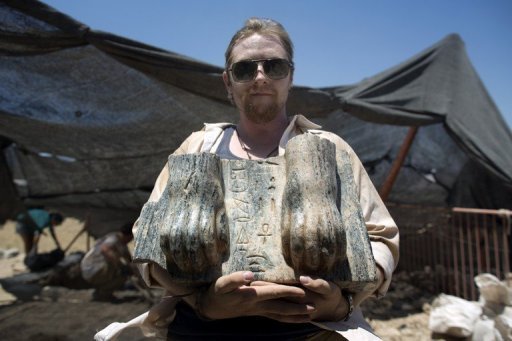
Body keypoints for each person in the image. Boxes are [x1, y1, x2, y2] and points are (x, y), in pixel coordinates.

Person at [134, 18, 399, 340]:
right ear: (228, 82)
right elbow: (146, 238)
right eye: (244, 69)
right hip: (202, 330)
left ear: (290, 76)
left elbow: (381, 237)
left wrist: (339, 304)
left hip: (311, 332)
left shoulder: (329, 148)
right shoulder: (199, 146)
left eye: (274, 66)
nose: (260, 77)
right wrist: (201, 301)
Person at [81, 222, 135, 301]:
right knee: (116, 265)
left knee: (123, 275)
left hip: (97, 270)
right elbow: (105, 249)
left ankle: (102, 292)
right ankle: (102, 293)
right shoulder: (113, 239)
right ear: (129, 236)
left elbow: (130, 261)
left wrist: (134, 271)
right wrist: (120, 264)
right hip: (92, 269)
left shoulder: (122, 245)